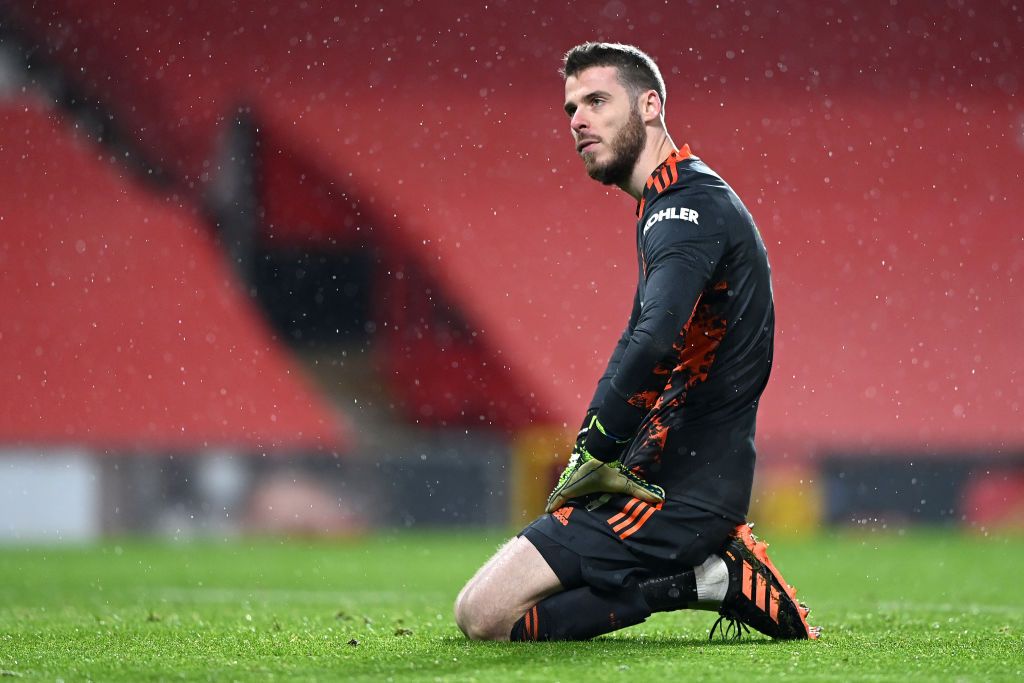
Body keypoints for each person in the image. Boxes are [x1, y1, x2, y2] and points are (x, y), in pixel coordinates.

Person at [454, 42, 819, 642]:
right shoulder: (677, 200)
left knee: (485, 619)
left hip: (675, 490)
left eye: (597, 100)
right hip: (661, 474)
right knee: (488, 607)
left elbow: (653, 340)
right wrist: (595, 446)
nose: (578, 119)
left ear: (651, 106)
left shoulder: (686, 208)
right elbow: (639, 340)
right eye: (572, 107)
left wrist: (597, 442)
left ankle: (706, 579)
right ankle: (704, 571)